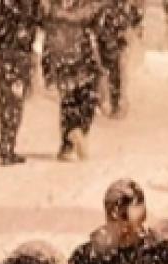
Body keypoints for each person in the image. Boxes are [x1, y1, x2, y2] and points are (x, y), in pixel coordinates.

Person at [0, 0, 44, 165]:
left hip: (3, 53)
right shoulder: (26, 6)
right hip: (18, 54)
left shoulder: (1, 6)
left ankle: (5, 140)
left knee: (5, 99)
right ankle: (8, 144)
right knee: (14, 101)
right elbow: (38, 21)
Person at [44, 0, 104, 161]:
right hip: (82, 58)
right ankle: (77, 132)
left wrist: (47, 68)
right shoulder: (85, 9)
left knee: (69, 102)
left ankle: (68, 142)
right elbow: (97, 25)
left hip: (62, 60)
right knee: (87, 99)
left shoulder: (52, 9)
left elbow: (48, 41)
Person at [94, 0, 142, 118]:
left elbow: (133, 16)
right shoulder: (118, 7)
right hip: (109, 36)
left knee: (110, 70)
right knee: (110, 71)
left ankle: (109, 102)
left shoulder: (117, 7)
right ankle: (108, 101)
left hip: (111, 36)